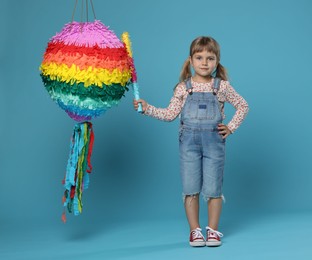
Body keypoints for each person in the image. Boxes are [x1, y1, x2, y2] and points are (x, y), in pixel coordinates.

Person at [133, 36, 249, 247]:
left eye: (210, 58)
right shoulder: (183, 88)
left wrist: (230, 127)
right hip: (189, 144)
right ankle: (195, 231)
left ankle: (212, 231)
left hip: (215, 143)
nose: (205, 62)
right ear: (191, 60)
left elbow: (243, 105)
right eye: (199, 57)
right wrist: (147, 108)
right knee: (190, 187)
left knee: (213, 188)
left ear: (217, 61)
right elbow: (169, 115)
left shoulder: (221, 86)